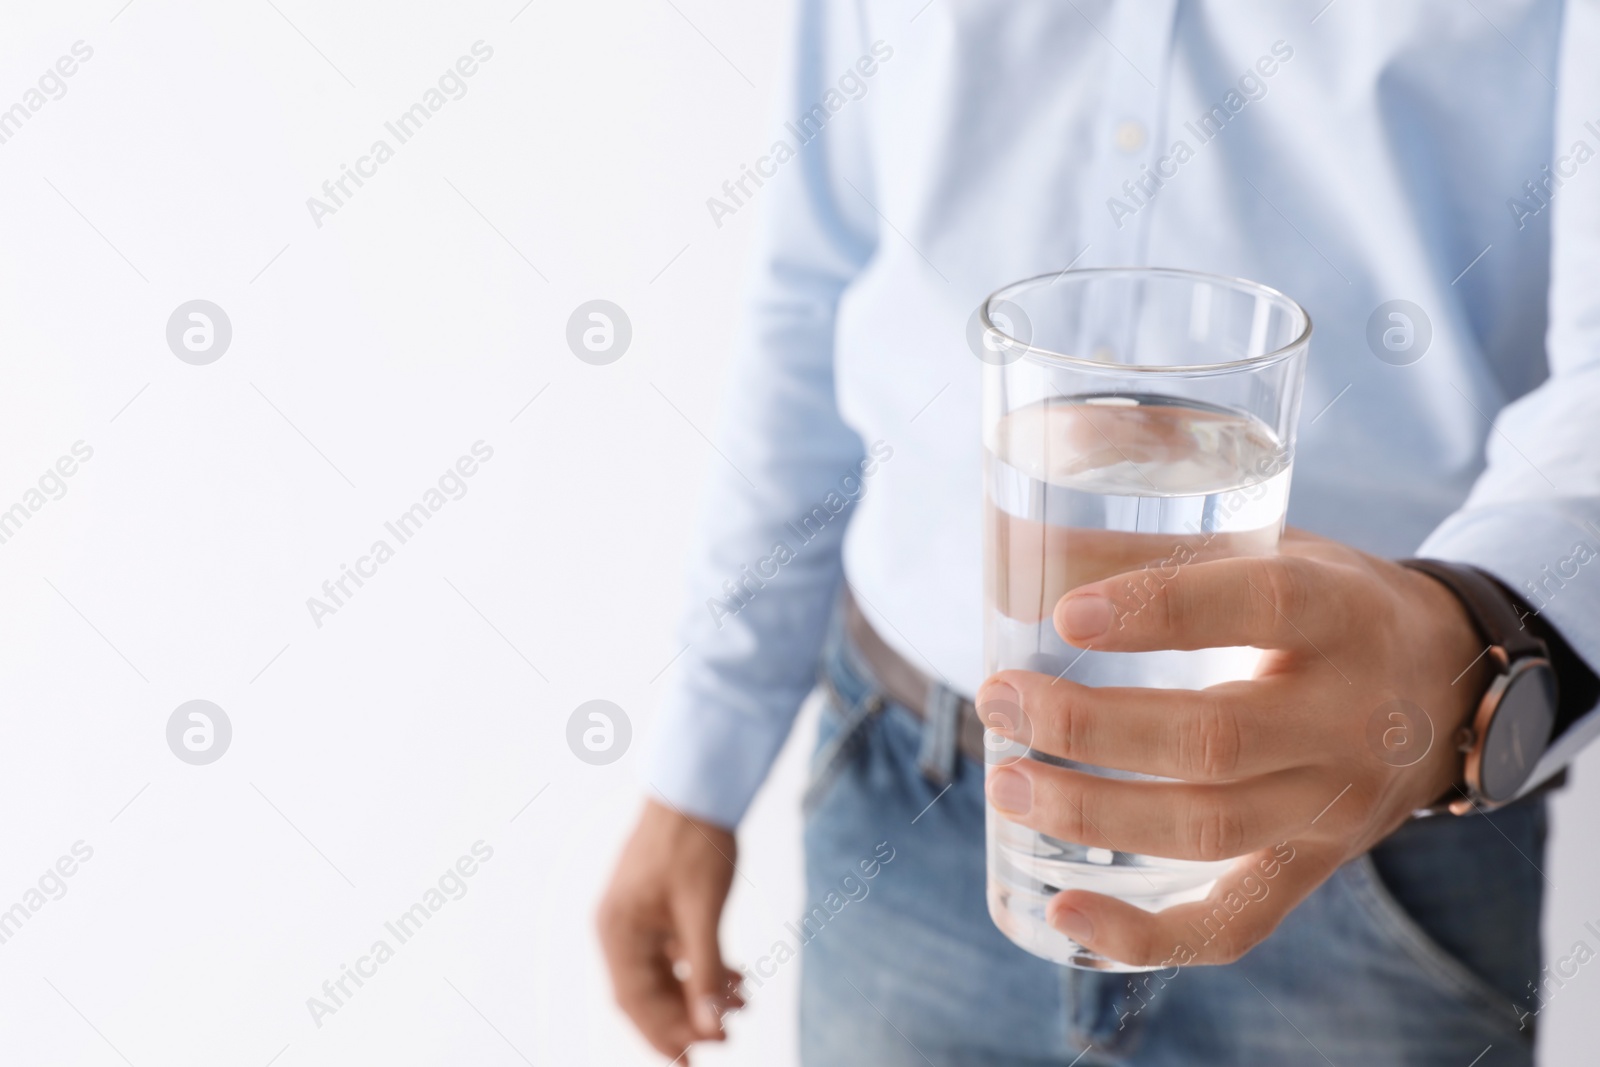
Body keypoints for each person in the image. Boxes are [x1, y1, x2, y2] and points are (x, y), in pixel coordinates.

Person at [598, 2, 1600, 1064]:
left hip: (1380, 835)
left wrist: (1467, 648)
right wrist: (701, 761)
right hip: (902, 791)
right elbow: (819, 276)